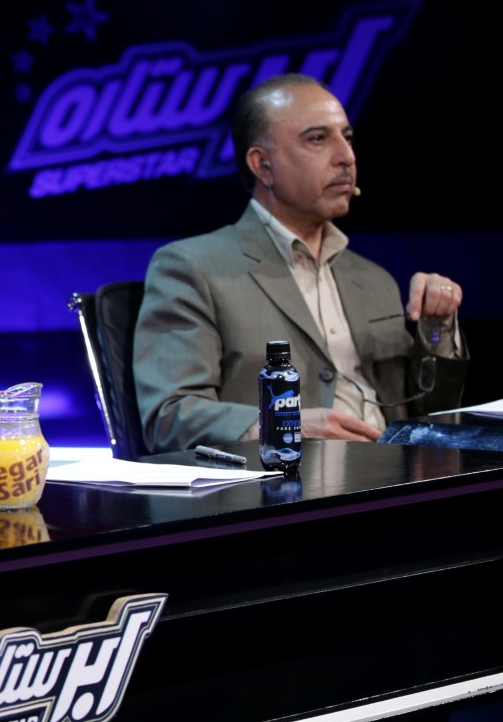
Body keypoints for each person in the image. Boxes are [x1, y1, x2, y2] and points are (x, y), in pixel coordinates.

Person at [133, 73, 467, 455]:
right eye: (318, 139)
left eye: (347, 137)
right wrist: (287, 424)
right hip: (286, 483)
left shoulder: (375, 280)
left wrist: (437, 332)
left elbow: (432, 417)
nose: (347, 156)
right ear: (263, 165)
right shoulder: (193, 268)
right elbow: (169, 418)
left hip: (397, 477)